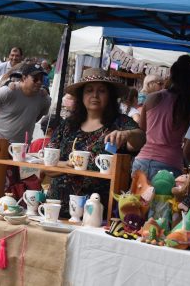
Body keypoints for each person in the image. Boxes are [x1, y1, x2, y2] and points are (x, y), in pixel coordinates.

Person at [46, 68, 146, 218]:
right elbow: (48, 166)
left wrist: (127, 134)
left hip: (99, 211)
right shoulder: (67, 125)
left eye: (102, 91)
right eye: (89, 90)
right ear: (81, 96)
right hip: (58, 208)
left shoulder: (121, 123)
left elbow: (140, 140)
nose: (94, 95)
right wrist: (65, 165)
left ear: (110, 96)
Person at [132, 55, 190, 179]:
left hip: (141, 161)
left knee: (135, 199)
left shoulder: (152, 97)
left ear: (171, 76)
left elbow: (141, 132)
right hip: (169, 164)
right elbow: (189, 147)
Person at [0, 63, 51, 143]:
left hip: (23, 145)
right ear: (24, 78)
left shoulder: (44, 98)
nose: (39, 82)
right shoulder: (9, 91)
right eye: (35, 79)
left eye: (41, 79)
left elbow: (40, 115)